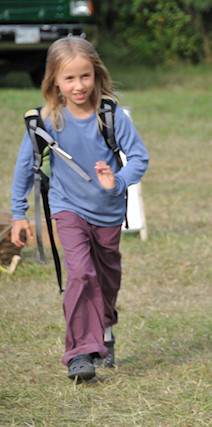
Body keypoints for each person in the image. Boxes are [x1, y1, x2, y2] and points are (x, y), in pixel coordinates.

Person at [10, 36, 149, 381]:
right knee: (81, 273)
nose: (78, 85)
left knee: (106, 279)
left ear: (96, 74)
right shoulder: (44, 122)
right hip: (67, 207)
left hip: (108, 212)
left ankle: (104, 328)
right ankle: (79, 353)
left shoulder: (110, 115)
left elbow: (139, 159)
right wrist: (17, 214)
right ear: (54, 80)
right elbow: (26, 168)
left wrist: (115, 181)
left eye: (85, 76)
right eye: (69, 78)